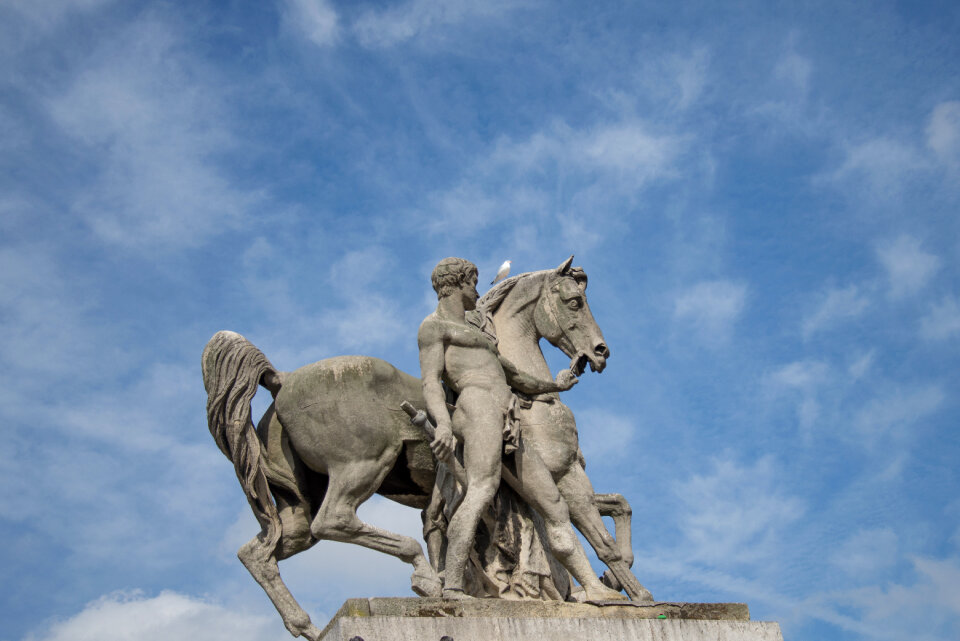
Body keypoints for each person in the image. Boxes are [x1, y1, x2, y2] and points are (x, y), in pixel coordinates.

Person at [417, 257, 625, 601]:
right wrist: (441, 425)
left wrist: (555, 387)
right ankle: (452, 585)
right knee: (482, 489)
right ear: (455, 284)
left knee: (555, 505)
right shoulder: (433, 327)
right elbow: (430, 383)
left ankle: (593, 586)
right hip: (478, 407)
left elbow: (515, 377)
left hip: (507, 415)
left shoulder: (478, 331)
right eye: (473, 282)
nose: (477, 289)